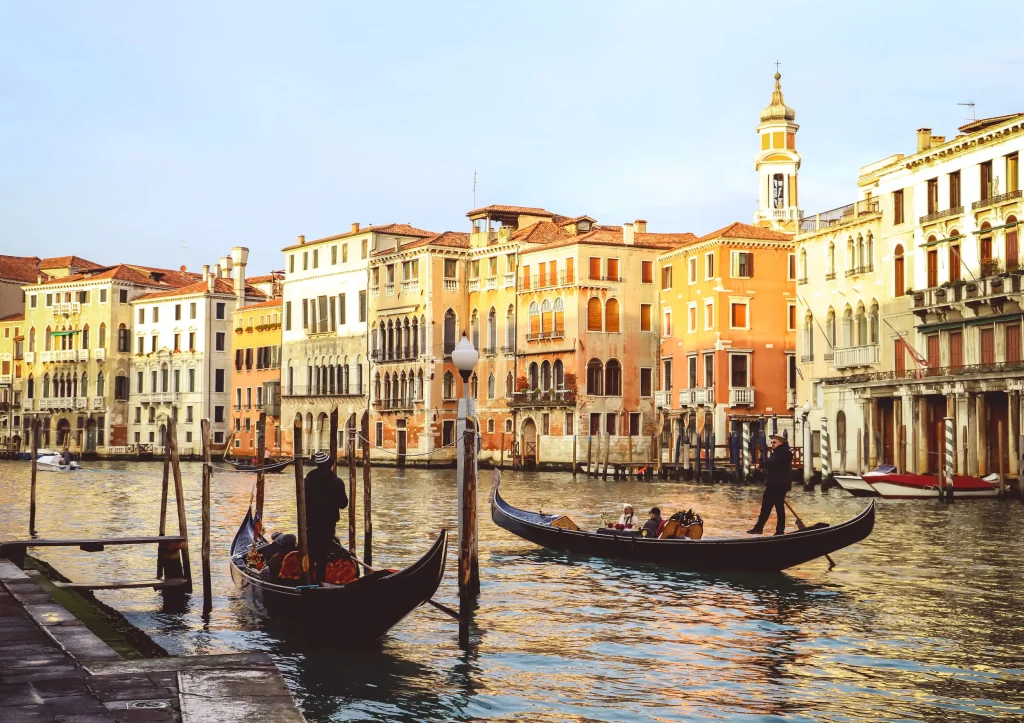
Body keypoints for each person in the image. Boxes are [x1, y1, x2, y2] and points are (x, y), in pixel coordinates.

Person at [305, 450, 348, 583]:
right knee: (323, 555)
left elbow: (302, 500)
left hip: (310, 522)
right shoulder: (336, 481)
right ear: (330, 465)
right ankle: (320, 582)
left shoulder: (308, 479)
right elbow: (343, 504)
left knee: (311, 554)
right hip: (328, 523)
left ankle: (307, 581)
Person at [748, 434, 793, 535]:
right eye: (771, 442)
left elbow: (773, 462)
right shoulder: (780, 452)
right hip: (778, 483)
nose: (772, 444)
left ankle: (764, 529)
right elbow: (776, 465)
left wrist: (761, 464)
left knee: (769, 507)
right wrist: (765, 469)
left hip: (777, 484)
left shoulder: (782, 452)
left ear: (781, 443)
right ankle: (775, 530)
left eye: (774, 442)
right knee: (775, 507)